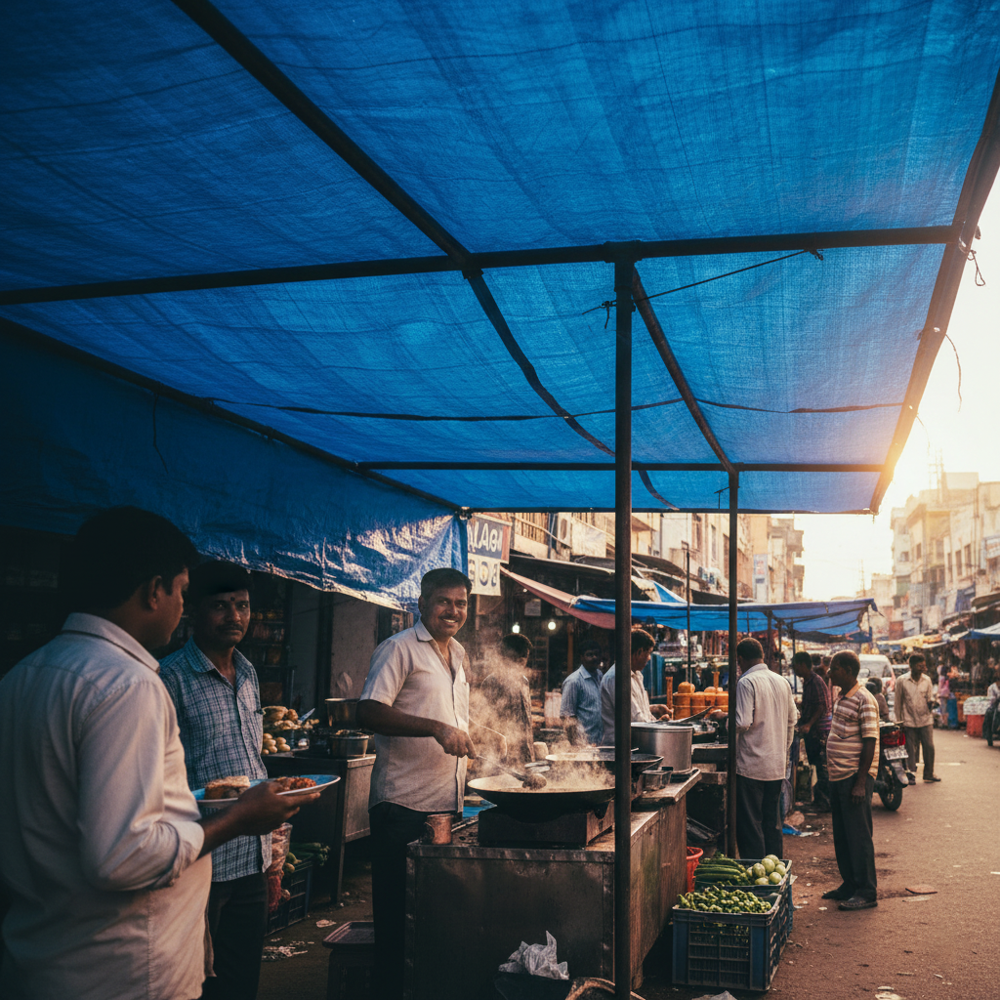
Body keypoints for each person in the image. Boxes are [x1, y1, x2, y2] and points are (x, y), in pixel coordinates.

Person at [0, 507, 314, 1000]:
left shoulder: (24, 676)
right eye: (183, 593)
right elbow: (124, 858)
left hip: (43, 958)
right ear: (154, 590)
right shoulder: (128, 684)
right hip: (123, 970)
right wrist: (239, 818)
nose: (183, 608)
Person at [356, 567, 477, 1000]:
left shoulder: (458, 654)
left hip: (444, 808)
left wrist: (477, 733)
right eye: (444, 601)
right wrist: (435, 730)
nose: (453, 610)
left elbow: (451, 719)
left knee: (431, 919)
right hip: (402, 808)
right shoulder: (398, 649)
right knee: (396, 921)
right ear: (422, 603)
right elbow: (368, 712)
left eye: (461, 602)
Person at [159, 561, 270, 1000]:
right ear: (193, 611)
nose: (235, 617)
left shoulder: (248, 673)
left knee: (242, 980)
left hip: (251, 857)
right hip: (201, 857)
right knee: (195, 982)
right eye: (221, 606)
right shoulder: (168, 678)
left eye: (242, 606)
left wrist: (273, 855)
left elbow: (254, 762)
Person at [823, 650, 879, 911]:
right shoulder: (842, 697)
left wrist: (860, 782)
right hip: (838, 776)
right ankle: (849, 883)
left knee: (858, 835)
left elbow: (870, 741)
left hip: (853, 778)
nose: (829, 673)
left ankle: (866, 890)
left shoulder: (864, 699)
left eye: (833, 668)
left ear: (846, 670)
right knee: (843, 835)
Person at [733, 638, 798, 860]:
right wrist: (783, 751)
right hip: (775, 766)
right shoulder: (782, 682)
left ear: (740, 659)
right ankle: (775, 871)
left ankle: (755, 874)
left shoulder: (746, 682)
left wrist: (725, 719)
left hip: (751, 766)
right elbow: (792, 721)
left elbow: (741, 723)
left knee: (751, 824)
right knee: (772, 823)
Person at [600, 628, 670, 745]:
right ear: (638, 652)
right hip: (619, 749)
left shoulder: (637, 675)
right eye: (648, 653)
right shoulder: (617, 678)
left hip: (636, 744)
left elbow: (641, 712)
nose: (649, 658)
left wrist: (655, 711)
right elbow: (636, 720)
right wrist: (659, 724)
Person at [479, 633, 535, 764]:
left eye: (524, 658)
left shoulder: (524, 681)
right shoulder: (491, 682)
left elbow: (526, 720)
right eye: (518, 659)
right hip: (500, 756)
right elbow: (483, 722)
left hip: (525, 755)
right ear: (505, 657)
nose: (523, 663)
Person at [792, 650, 832, 811]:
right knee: (816, 765)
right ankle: (819, 800)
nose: (794, 670)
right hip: (812, 731)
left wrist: (809, 724)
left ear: (802, 665)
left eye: (795, 667)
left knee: (821, 766)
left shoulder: (815, 681)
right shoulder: (808, 682)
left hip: (819, 731)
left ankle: (824, 802)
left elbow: (821, 705)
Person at [894, 653, 939, 783]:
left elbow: (929, 698)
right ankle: (911, 774)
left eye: (923, 666)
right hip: (908, 720)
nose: (922, 668)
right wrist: (899, 721)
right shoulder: (902, 681)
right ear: (912, 666)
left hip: (925, 719)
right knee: (910, 749)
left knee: (929, 746)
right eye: (920, 666)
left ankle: (929, 773)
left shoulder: (927, 680)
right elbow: (898, 703)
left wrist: (932, 703)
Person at [560, 640, 605, 744]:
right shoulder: (574, 681)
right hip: (583, 744)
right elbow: (567, 717)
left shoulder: (600, 676)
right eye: (589, 654)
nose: (594, 657)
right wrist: (576, 745)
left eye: (596, 654)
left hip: (600, 742)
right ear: (581, 657)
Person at [985, 676, 1000, 748]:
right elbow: (991, 700)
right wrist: (997, 698)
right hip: (994, 707)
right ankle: (990, 737)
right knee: (990, 715)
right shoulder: (992, 688)